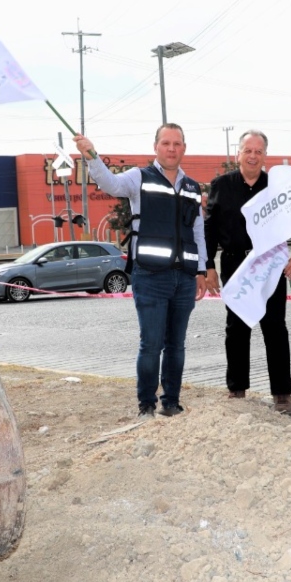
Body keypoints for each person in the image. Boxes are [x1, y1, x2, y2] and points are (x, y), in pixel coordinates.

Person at [74, 124, 208, 418]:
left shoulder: (192, 188)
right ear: (156, 147)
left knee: (176, 345)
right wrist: (91, 156)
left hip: (184, 278)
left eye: (176, 144)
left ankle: (171, 401)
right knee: (151, 344)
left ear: (184, 148)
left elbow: (197, 232)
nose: (171, 148)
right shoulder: (139, 178)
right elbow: (110, 184)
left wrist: (201, 270)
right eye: (166, 143)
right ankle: (146, 404)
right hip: (150, 276)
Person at [204, 131, 291, 415]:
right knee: (236, 329)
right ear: (238, 153)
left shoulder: (276, 188)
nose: (253, 156)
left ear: (265, 155)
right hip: (235, 266)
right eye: (247, 150)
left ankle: (282, 396)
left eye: (258, 151)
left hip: (270, 267)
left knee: (275, 329)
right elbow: (210, 230)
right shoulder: (221, 185)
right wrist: (208, 266)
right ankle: (237, 390)